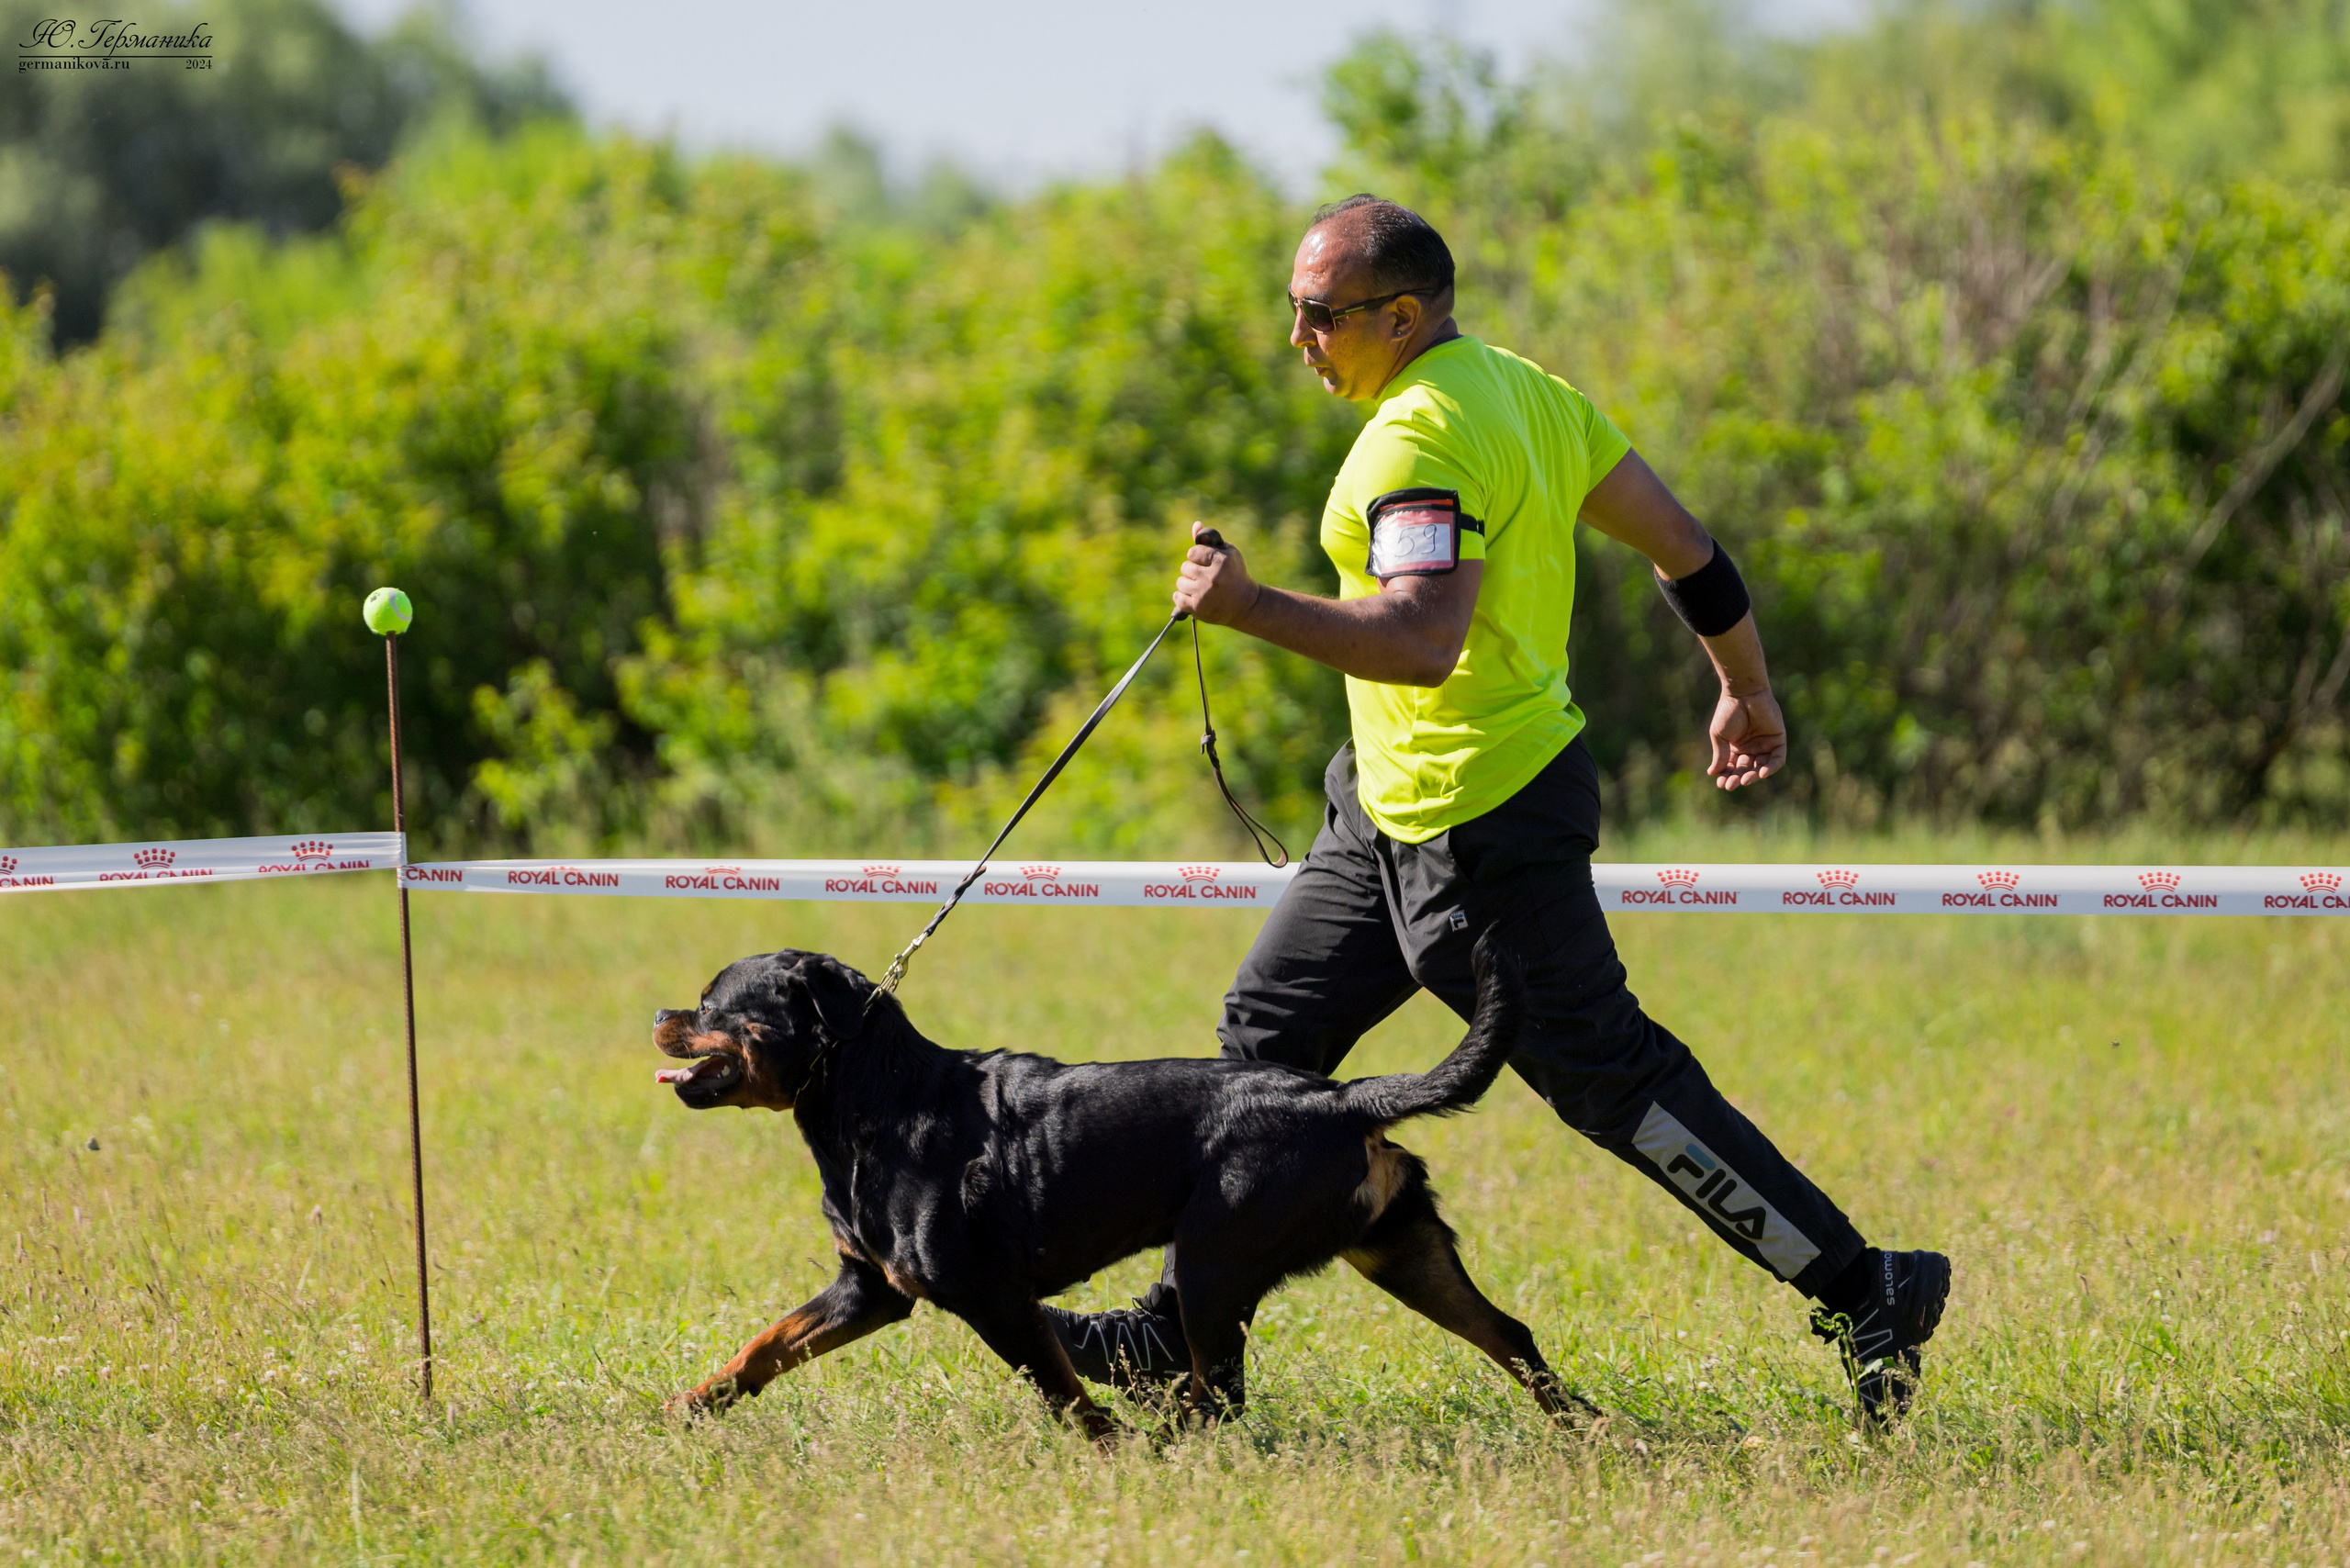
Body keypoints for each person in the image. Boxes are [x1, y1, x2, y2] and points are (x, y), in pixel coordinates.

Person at [1043, 194, 1950, 1424]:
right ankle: (1186, 1342)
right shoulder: (1531, 393)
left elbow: (1423, 641)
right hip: (1380, 811)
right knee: (1266, 1045)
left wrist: (1249, 606)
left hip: (1487, 818)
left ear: (1401, 315)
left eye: (1318, 315)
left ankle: (1864, 1286)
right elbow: (1686, 547)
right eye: (1293, 309)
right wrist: (1745, 685)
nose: (1298, 338)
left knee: (1613, 1085)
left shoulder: (1421, 436)